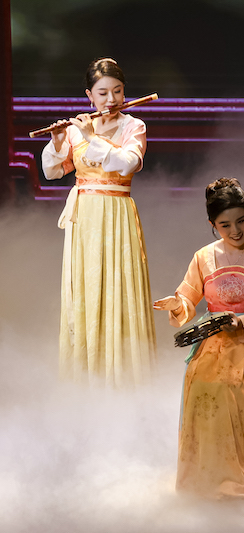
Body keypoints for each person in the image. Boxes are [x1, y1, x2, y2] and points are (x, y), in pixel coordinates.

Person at [154, 178, 244, 499]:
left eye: (241, 221)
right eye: (225, 225)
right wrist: (178, 304)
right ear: (212, 225)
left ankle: (242, 472)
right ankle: (211, 474)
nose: (235, 231)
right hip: (213, 343)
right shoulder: (203, 257)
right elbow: (188, 298)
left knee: (242, 402)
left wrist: (242, 322)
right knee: (206, 392)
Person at [42, 57, 156, 387]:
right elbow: (52, 172)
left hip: (116, 214)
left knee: (119, 286)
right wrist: (59, 141)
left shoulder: (133, 126)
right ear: (89, 96)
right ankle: (85, 376)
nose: (111, 99)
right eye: (103, 93)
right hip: (84, 220)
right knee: (85, 289)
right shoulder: (77, 129)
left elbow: (129, 163)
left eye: (117, 91)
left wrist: (92, 137)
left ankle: (123, 377)